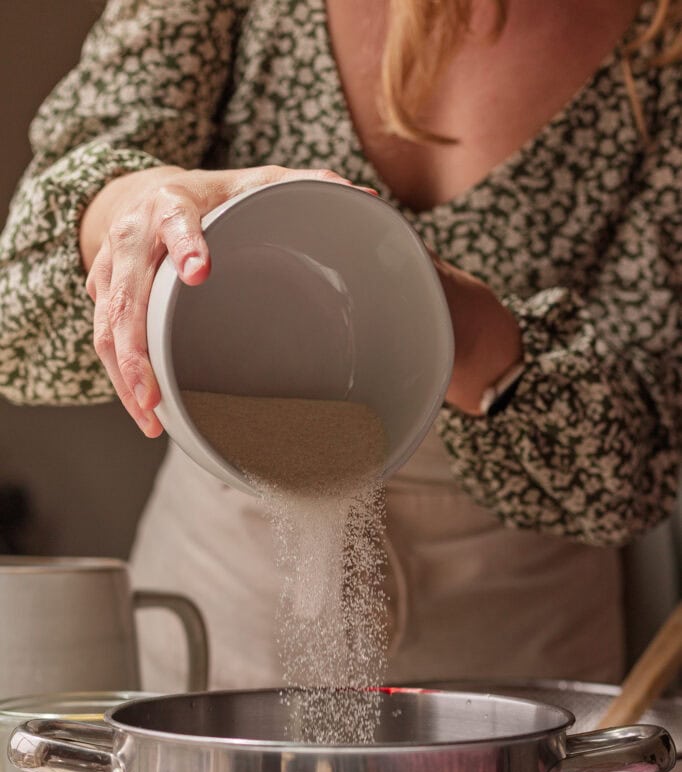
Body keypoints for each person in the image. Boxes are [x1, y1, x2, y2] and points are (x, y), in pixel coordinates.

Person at [0, 0, 679, 693]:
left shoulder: (663, 46)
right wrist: (136, 207)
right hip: (225, 604)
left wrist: (440, 315)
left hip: (515, 630)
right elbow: (19, 312)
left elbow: (642, 457)